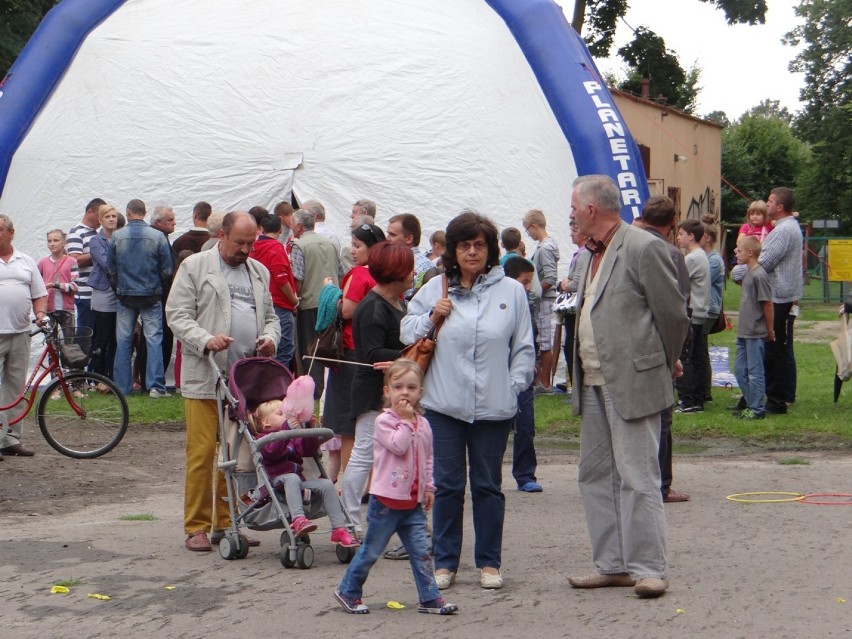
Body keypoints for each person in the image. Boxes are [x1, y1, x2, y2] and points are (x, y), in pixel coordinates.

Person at [567, 175, 688, 599]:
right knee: (595, 475)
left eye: (574, 207)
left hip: (634, 379)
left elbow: (673, 315)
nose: (571, 215)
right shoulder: (586, 256)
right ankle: (613, 565)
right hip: (593, 380)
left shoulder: (644, 246)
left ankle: (650, 568)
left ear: (591, 210)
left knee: (638, 476)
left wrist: (663, 360)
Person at [402, 210, 535, 591]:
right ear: (453, 251)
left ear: (491, 249)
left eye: (479, 245)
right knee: (447, 485)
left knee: (487, 486)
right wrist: (431, 315)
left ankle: (489, 562)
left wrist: (513, 385)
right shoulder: (436, 287)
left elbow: (524, 346)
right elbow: (406, 330)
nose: (472, 252)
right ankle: (444, 563)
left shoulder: (510, 291)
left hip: (493, 407)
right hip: (444, 405)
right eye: (464, 245)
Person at [166, 211, 280, 551]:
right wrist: (204, 339)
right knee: (202, 452)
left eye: (251, 242)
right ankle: (197, 526)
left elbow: (272, 317)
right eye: (240, 242)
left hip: (244, 380)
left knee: (235, 456)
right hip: (207, 376)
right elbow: (177, 314)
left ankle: (228, 523)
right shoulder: (195, 267)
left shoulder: (258, 272)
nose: (246, 249)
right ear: (221, 234)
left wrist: (270, 338)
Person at [335, 359, 459, 616]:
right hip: (386, 502)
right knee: (371, 550)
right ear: (386, 391)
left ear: (420, 393)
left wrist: (429, 487)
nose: (405, 392)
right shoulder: (384, 421)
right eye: (398, 386)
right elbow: (398, 446)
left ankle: (429, 597)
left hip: (412, 503)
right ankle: (348, 590)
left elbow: (428, 457)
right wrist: (404, 421)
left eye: (411, 388)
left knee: (422, 552)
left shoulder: (424, 423)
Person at [343, 242, 414, 535]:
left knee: (386, 457)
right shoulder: (373, 307)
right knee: (364, 454)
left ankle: (380, 519)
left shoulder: (396, 302)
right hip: (373, 392)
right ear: (397, 272)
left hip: (390, 391)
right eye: (408, 269)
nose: (413, 274)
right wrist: (411, 355)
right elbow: (372, 353)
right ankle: (348, 520)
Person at [322, 222, 386, 482]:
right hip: (371, 353)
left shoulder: (360, 274)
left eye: (358, 245)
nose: (353, 250)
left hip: (349, 352)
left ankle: (352, 483)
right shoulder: (383, 274)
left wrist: (329, 292)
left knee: (347, 425)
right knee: (368, 423)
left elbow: (347, 311)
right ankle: (370, 482)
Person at [639, 196, 691, 504]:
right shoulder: (671, 254)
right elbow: (678, 309)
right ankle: (661, 485)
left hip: (626, 347)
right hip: (658, 348)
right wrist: (673, 356)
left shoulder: (621, 247)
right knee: (661, 418)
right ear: (672, 222)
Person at [732, 187, 802, 414]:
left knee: (773, 350)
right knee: (781, 349)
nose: (766, 205)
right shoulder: (787, 227)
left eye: (770, 202)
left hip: (778, 296)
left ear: (779, 207)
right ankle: (780, 396)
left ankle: (775, 400)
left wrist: (736, 273)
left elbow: (763, 261)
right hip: (783, 295)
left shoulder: (783, 231)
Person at [253, 399, 360, 547]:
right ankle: (298, 519)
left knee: (325, 483)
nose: (286, 417)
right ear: (266, 422)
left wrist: (307, 426)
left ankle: (339, 528)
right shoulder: (263, 439)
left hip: (297, 480)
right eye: (280, 414)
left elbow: (308, 451)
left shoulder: (292, 436)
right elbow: (271, 453)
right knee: (292, 478)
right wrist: (286, 429)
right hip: (276, 482)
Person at [107, 199, 174, 398]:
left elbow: (111, 268)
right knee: (154, 339)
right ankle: (155, 387)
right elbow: (167, 269)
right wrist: (158, 288)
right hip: (151, 294)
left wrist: (119, 289)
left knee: (124, 340)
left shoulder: (117, 236)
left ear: (128, 213)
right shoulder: (158, 236)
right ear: (144, 213)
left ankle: (122, 387)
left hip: (125, 294)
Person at [0, 215, 48, 458]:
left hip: (20, 332)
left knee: (16, 386)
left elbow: (39, 293)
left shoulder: (26, 261)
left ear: (11, 233)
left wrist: (40, 313)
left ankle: (10, 439)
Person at [290, 208, 343, 398]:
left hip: (310, 303)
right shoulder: (330, 243)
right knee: (329, 349)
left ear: (297, 226)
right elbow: (340, 272)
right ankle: (323, 394)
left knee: (310, 351)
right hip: (332, 303)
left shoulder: (298, 245)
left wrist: (294, 299)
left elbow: (298, 277)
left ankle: (311, 395)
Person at [502, 256, 541, 493]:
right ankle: (488, 475)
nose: (528, 288)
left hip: (523, 376)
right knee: (494, 428)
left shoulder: (527, 306)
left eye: (529, 283)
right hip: (497, 374)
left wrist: (532, 364)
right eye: (525, 282)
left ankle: (525, 474)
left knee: (525, 426)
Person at [732, 236, 774, 420]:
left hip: (755, 331)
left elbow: (768, 304)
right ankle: (752, 404)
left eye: (739, 250)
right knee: (740, 370)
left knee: (755, 372)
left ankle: (757, 409)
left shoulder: (759, 274)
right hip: (744, 330)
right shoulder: (747, 273)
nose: (736, 252)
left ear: (750, 252)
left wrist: (770, 330)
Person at [252, 214, 299, 368]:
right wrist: (294, 300)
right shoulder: (276, 247)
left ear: (262, 229)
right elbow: (280, 277)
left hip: (258, 301)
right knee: (283, 349)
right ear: (280, 229)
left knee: (263, 347)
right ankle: (278, 386)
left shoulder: (253, 246)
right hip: (279, 303)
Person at [674, 219, 710, 414]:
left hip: (692, 313)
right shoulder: (699, 255)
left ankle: (689, 400)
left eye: (681, 234)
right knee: (696, 356)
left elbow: (676, 280)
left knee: (685, 357)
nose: (678, 238)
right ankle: (697, 397)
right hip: (700, 312)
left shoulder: (692, 258)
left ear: (691, 236)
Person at [523, 209, 560, 392]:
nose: (528, 234)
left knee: (545, 341)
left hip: (545, 301)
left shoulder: (544, 249)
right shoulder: (547, 246)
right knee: (543, 340)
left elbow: (550, 278)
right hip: (545, 300)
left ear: (534, 226)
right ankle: (542, 381)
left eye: (527, 230)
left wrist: (535, 293)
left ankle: (544, 383)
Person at [88, 204, 123, 381]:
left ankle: (112, 375)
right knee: (102, 336)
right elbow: (106, 263)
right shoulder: (96, 241)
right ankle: (97, 375)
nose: (111, 219)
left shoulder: (121, 237)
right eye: (107, 216)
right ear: (100, 220)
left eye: (113, 216)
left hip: (120, 293)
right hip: (103, 291)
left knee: (117, 338)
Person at [67, 198, 105, 338]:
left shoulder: (97, 234)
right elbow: (75, 260)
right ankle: (82, 360)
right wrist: (98, 253)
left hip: (98, 294)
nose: (101, 220)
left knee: (97, 335)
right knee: (85, 334)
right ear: (90, 212)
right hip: (85, 294)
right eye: (99, 216)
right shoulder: (76, 232)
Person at [36, 229, 78, 336]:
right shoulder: (42, 263)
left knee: (69, 344)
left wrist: (55, 285)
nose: (52, 244)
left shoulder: (71, 261)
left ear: (64, 243)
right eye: (49, 241)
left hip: (67, 310)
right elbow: (36, 286)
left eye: (56, 240)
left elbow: (75, 286)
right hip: (48, 310)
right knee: (51, 343)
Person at [701, 221, 725, 402]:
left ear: (706, 238)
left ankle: (704, 391)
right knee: (700, 349)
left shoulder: (714, 260)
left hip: (709, 309)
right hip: (704, 308)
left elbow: (700, 279)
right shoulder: (705, 257)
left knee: (699, 350)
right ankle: (703, 390)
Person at [386, 213, 433, 296]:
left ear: (409, 239)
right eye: (388, 233)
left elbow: (410, 302)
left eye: (392, 235)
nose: (387, 238)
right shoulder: (426, 263)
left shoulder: (414, 265)